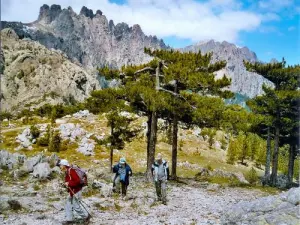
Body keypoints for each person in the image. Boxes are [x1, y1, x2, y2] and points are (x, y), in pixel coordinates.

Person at [59, 159, 90, 225]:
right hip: (72, 191)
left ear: (64, 165)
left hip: (77, 191)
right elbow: (70, 181)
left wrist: (68, 183)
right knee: (68, 203)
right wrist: (66, 183)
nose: (60, 166)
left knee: (76, 206)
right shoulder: (67, 171)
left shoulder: (71, 171)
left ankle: (86, 217)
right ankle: (69, 220)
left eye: (61, 165)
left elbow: (77, 181)